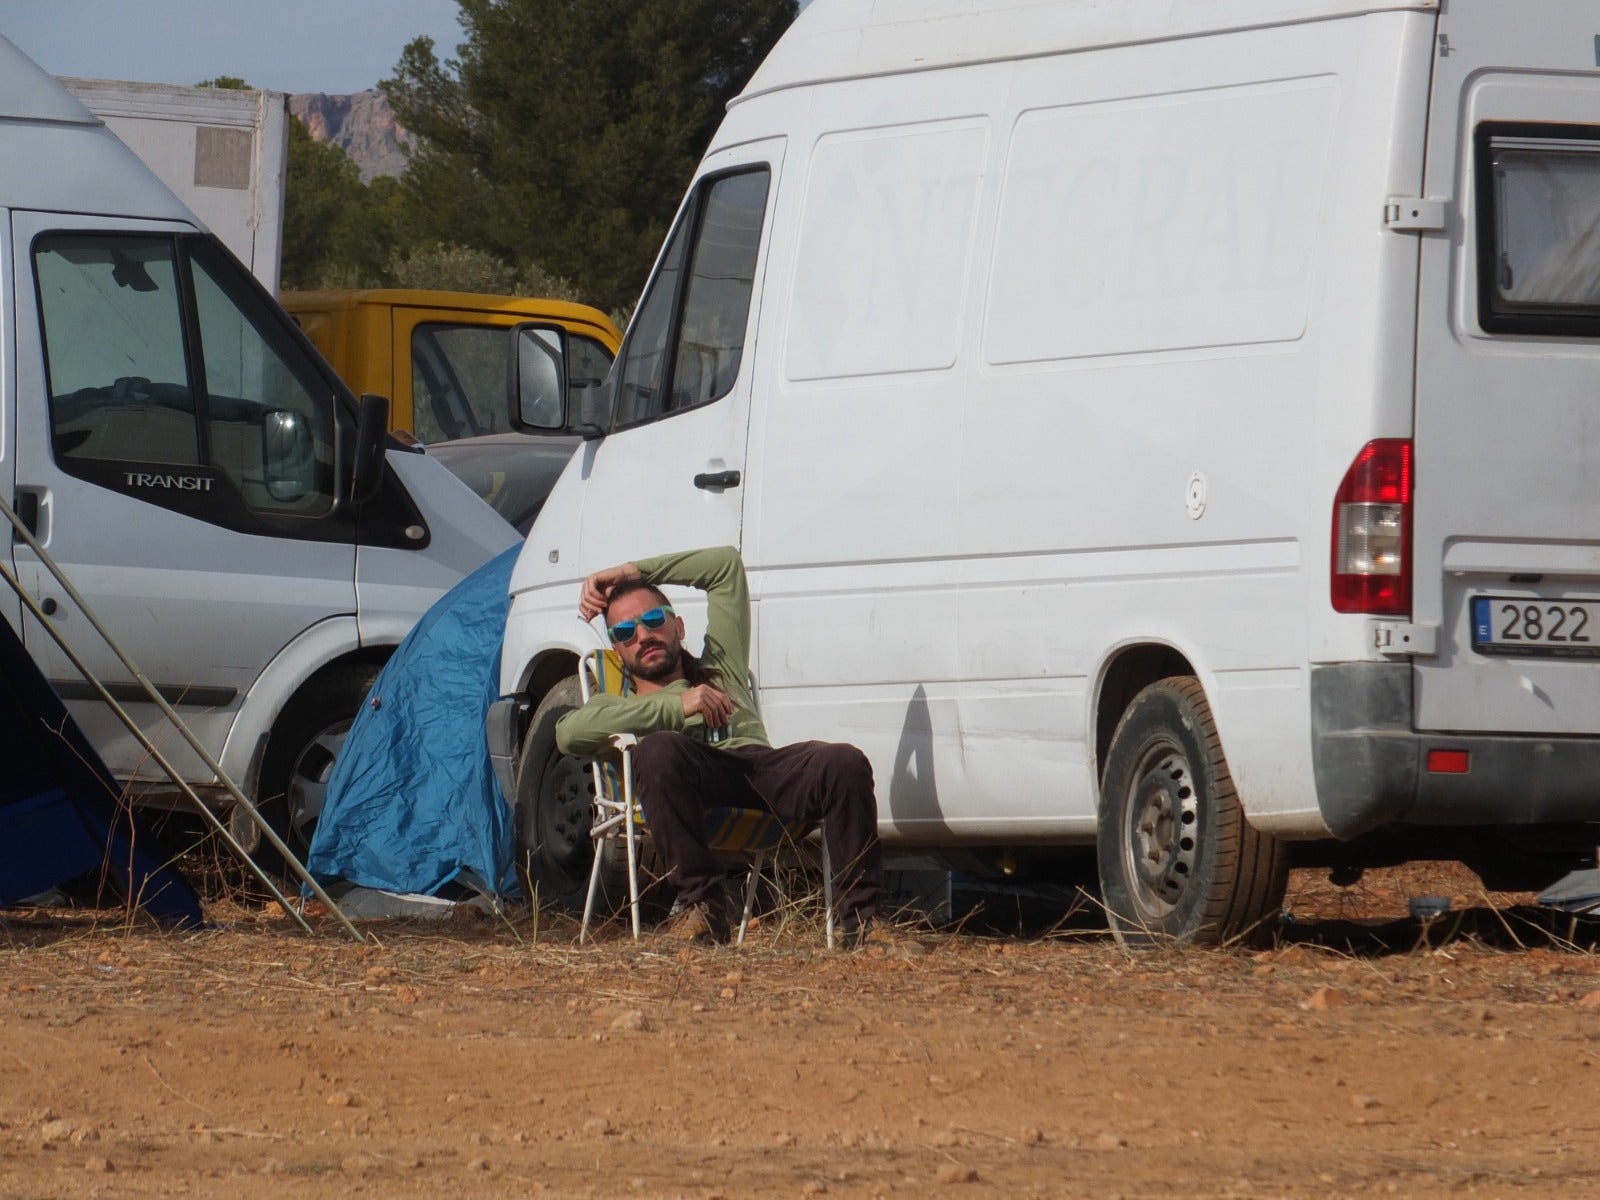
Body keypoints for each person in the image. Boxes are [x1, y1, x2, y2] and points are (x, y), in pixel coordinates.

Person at [555, 545, 906, 949]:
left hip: (760, 770)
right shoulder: (619, 705)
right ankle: (701, 909)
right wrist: (677, 705)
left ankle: (863, 923)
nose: (642, 636)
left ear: (679, 626)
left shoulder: (722, 666)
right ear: (617, 650)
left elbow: (724, 567)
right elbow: (568, 734)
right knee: (659, 750)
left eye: (653, 619)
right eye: (624, 632)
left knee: (842, 761)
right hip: (693, 780)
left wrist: (626, 571)